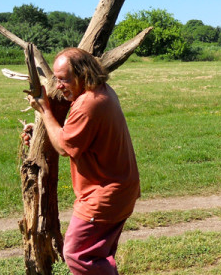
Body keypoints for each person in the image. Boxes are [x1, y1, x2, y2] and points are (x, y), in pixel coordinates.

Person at [23, 47, 140, 275]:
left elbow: (65, 146)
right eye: (56, 79)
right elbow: (76, 136)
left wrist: (45, 110)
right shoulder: (100, 92)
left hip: (104, 194)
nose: (58, 86)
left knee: (77, 255)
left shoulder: (89, 103)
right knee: (97, 255)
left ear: (82, 75)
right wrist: (41, 133)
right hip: (119, 190)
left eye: (63, 79)